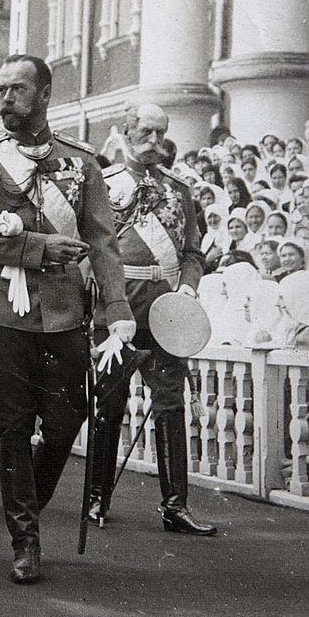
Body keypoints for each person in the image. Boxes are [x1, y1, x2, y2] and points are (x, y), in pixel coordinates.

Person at [0, 54, 135, 584]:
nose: (5, 100)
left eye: (16, 90)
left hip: (64, 312)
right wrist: (36, 247)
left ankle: (26, 496)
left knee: (65, 421)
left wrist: (118, 310)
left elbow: (103, 241)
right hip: (2, 312)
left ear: (45, 94)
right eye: (1, 90)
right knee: (12, 426)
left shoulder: (81, 162)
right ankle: (25, 537)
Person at [90, 102, 216, 537]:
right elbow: (90, 247)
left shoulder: (179, 190)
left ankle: (175, 506)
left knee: (170, 406)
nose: (154, 142)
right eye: (145, 132)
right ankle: (95, 498)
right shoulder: (102, 184)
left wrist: (188, 286)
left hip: (166, 314)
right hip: (118, 311)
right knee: (109, 406)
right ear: (125, 130)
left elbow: (193, 253)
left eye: (160, 134)